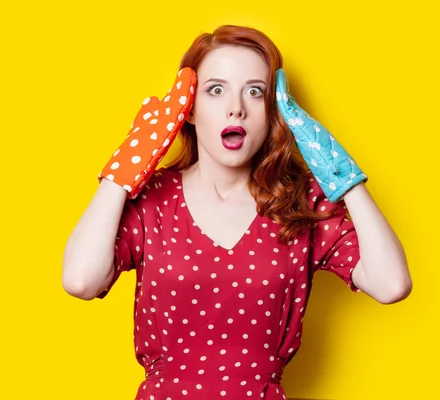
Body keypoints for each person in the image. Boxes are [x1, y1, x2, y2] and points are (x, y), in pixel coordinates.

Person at [62, 24, 412, 400]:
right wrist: (125, 169)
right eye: (216, 90)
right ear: (189, 111)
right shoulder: (153, 200)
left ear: (275, 111)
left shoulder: (300, 199)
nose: (236, 107)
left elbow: (391, 284)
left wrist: (341, 173)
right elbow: (82, 281)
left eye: (255, 91)